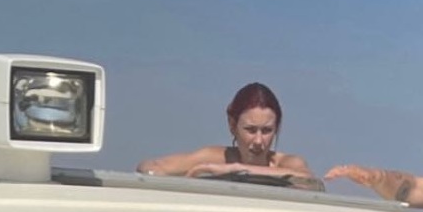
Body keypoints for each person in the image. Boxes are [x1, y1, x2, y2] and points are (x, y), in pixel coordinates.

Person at [136, 81, 318, 185]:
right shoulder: (213, 158)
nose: (258, 141)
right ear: (232, 125)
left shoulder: (287, 163)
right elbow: (149, 166)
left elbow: (309, 181)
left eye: (267, 131)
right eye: (250, 130)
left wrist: (235, 170)